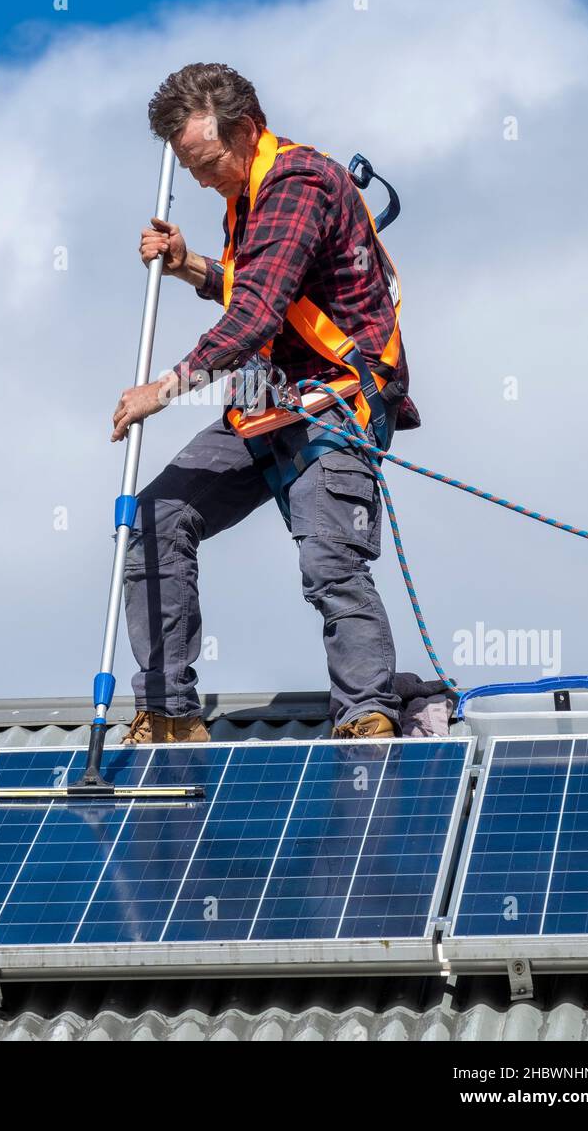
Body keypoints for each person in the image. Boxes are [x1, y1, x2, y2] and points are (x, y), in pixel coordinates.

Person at [111, 63, 420, 745]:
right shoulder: (246, 191)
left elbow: (253, 318)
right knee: (153, 521)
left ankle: (366, 718)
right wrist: (191, 264)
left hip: (333, 402)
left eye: (207, 161)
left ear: (247, 130)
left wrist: (161, 391)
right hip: (260, 402)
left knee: (329, 561)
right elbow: (264, 289)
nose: (199, 180)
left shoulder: (296, 183)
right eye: (188, 168)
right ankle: (167, 715)